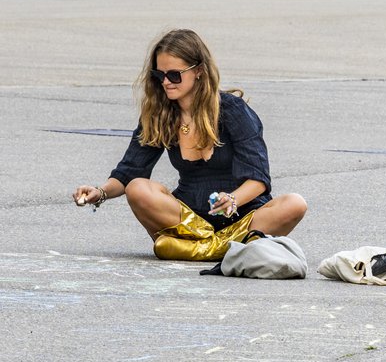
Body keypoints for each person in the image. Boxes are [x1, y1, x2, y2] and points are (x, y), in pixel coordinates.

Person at [71, 29, 307, 261]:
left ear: (199, 71)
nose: (165, 82)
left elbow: (258, 178)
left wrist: (232, 199)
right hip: (187, 217)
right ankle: (228, 249)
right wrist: (100, 192)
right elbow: (128, 172)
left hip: (241, 213)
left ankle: (191, 249)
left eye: (174, 75)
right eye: (159, 75)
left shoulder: (233, 110)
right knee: (137, 188)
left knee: (294, 204)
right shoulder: (159, 113)